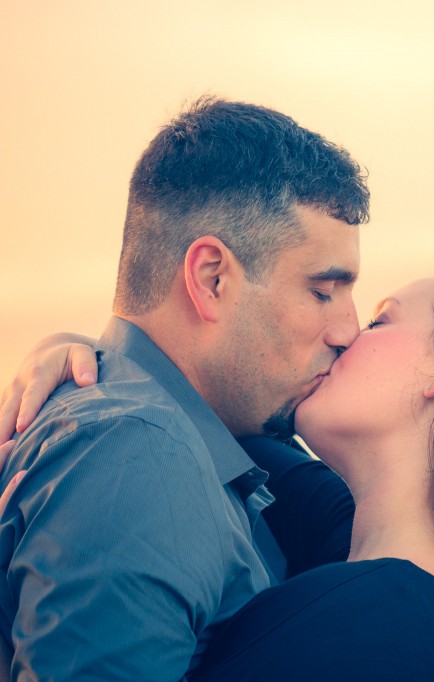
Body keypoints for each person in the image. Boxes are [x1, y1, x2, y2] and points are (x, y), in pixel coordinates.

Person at [1, 266, 434, 680]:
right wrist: (77, 360)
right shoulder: (362, 550)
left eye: (381, 319)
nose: (345, 333)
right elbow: (195, 391)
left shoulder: (377, 630)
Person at [0, 96, 370, 680]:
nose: (349, 331)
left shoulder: (153, 433)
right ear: (212, 279)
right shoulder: (138, 452)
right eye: (323, 291)